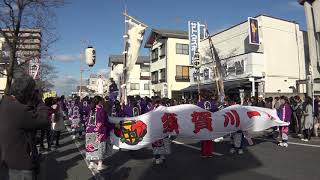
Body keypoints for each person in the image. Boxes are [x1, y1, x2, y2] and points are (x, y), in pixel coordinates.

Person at [0, 76, 49, 180]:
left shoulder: (4, 104)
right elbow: (43, 120)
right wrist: (39, 101)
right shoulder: (19, 110)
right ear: (27, 93)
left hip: (6, 162)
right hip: (20, 167)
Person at [85, 96, 114, 171]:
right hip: (99, 132)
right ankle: (99, 164)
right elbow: (105, 122)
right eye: (102, 101)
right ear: (99, 102)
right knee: (100, 148)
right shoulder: (101, 110)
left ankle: (91, 163)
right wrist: (113, 126)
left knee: (91, 147)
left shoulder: (91, 110)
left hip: (89, 131)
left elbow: (87, 120)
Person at [150, 96, 171, 165]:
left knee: (156, 144)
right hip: (163, 128)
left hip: (156, 128)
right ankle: (162, 156)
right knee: (163, 142)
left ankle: (157, 158)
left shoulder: (152, 108)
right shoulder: (164, 108)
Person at [197, 89, 216, 158]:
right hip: (211, 121)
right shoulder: (213, 102)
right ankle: (209, 152)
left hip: (203, 122)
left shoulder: (200, 103)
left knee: (204, 138)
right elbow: (216, 110)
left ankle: (204, 153)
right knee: (209, 138)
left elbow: (196, 112)